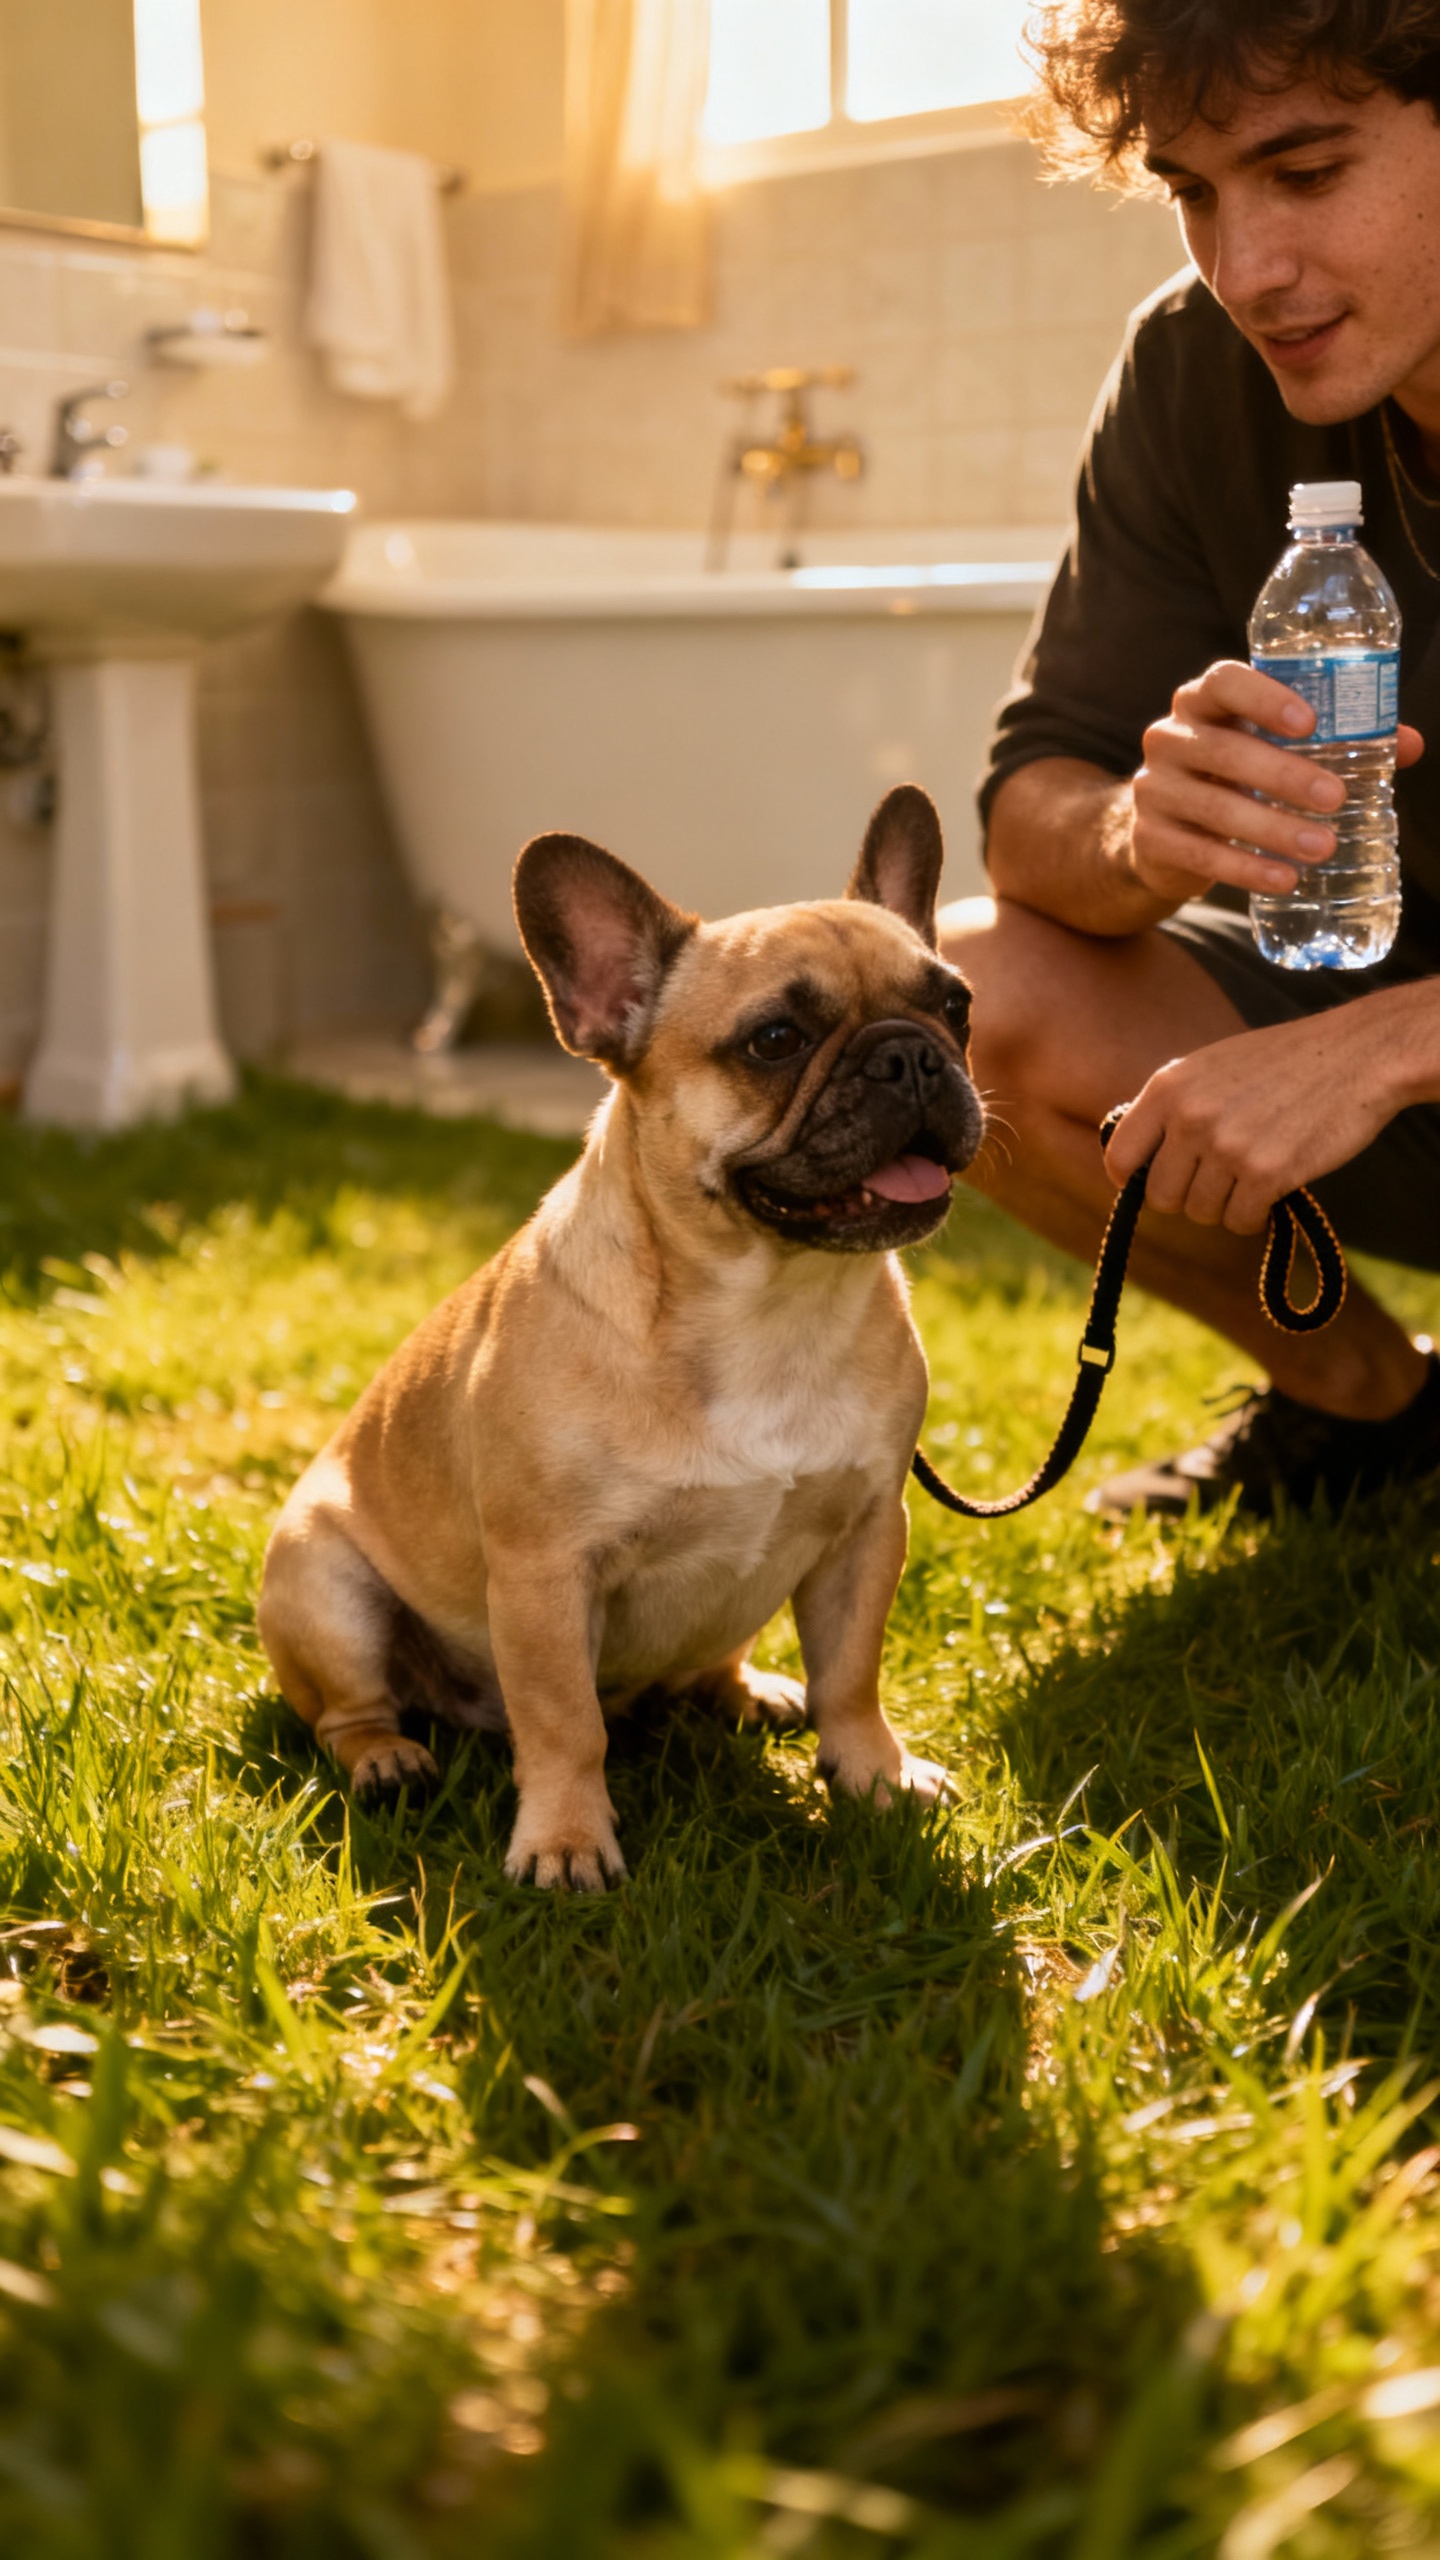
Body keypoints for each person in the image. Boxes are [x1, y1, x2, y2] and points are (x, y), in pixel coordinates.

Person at [940, 0, 1440, 1516]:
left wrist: (1392, 1042)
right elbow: (1036, 793)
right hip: (1356, 997)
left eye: (1303, 171)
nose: (1245, 270)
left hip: (1398, 1048)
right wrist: (1135, 840)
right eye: (1196, 191)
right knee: (972, 1000)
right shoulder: (1191, 373)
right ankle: (1379, 1412)